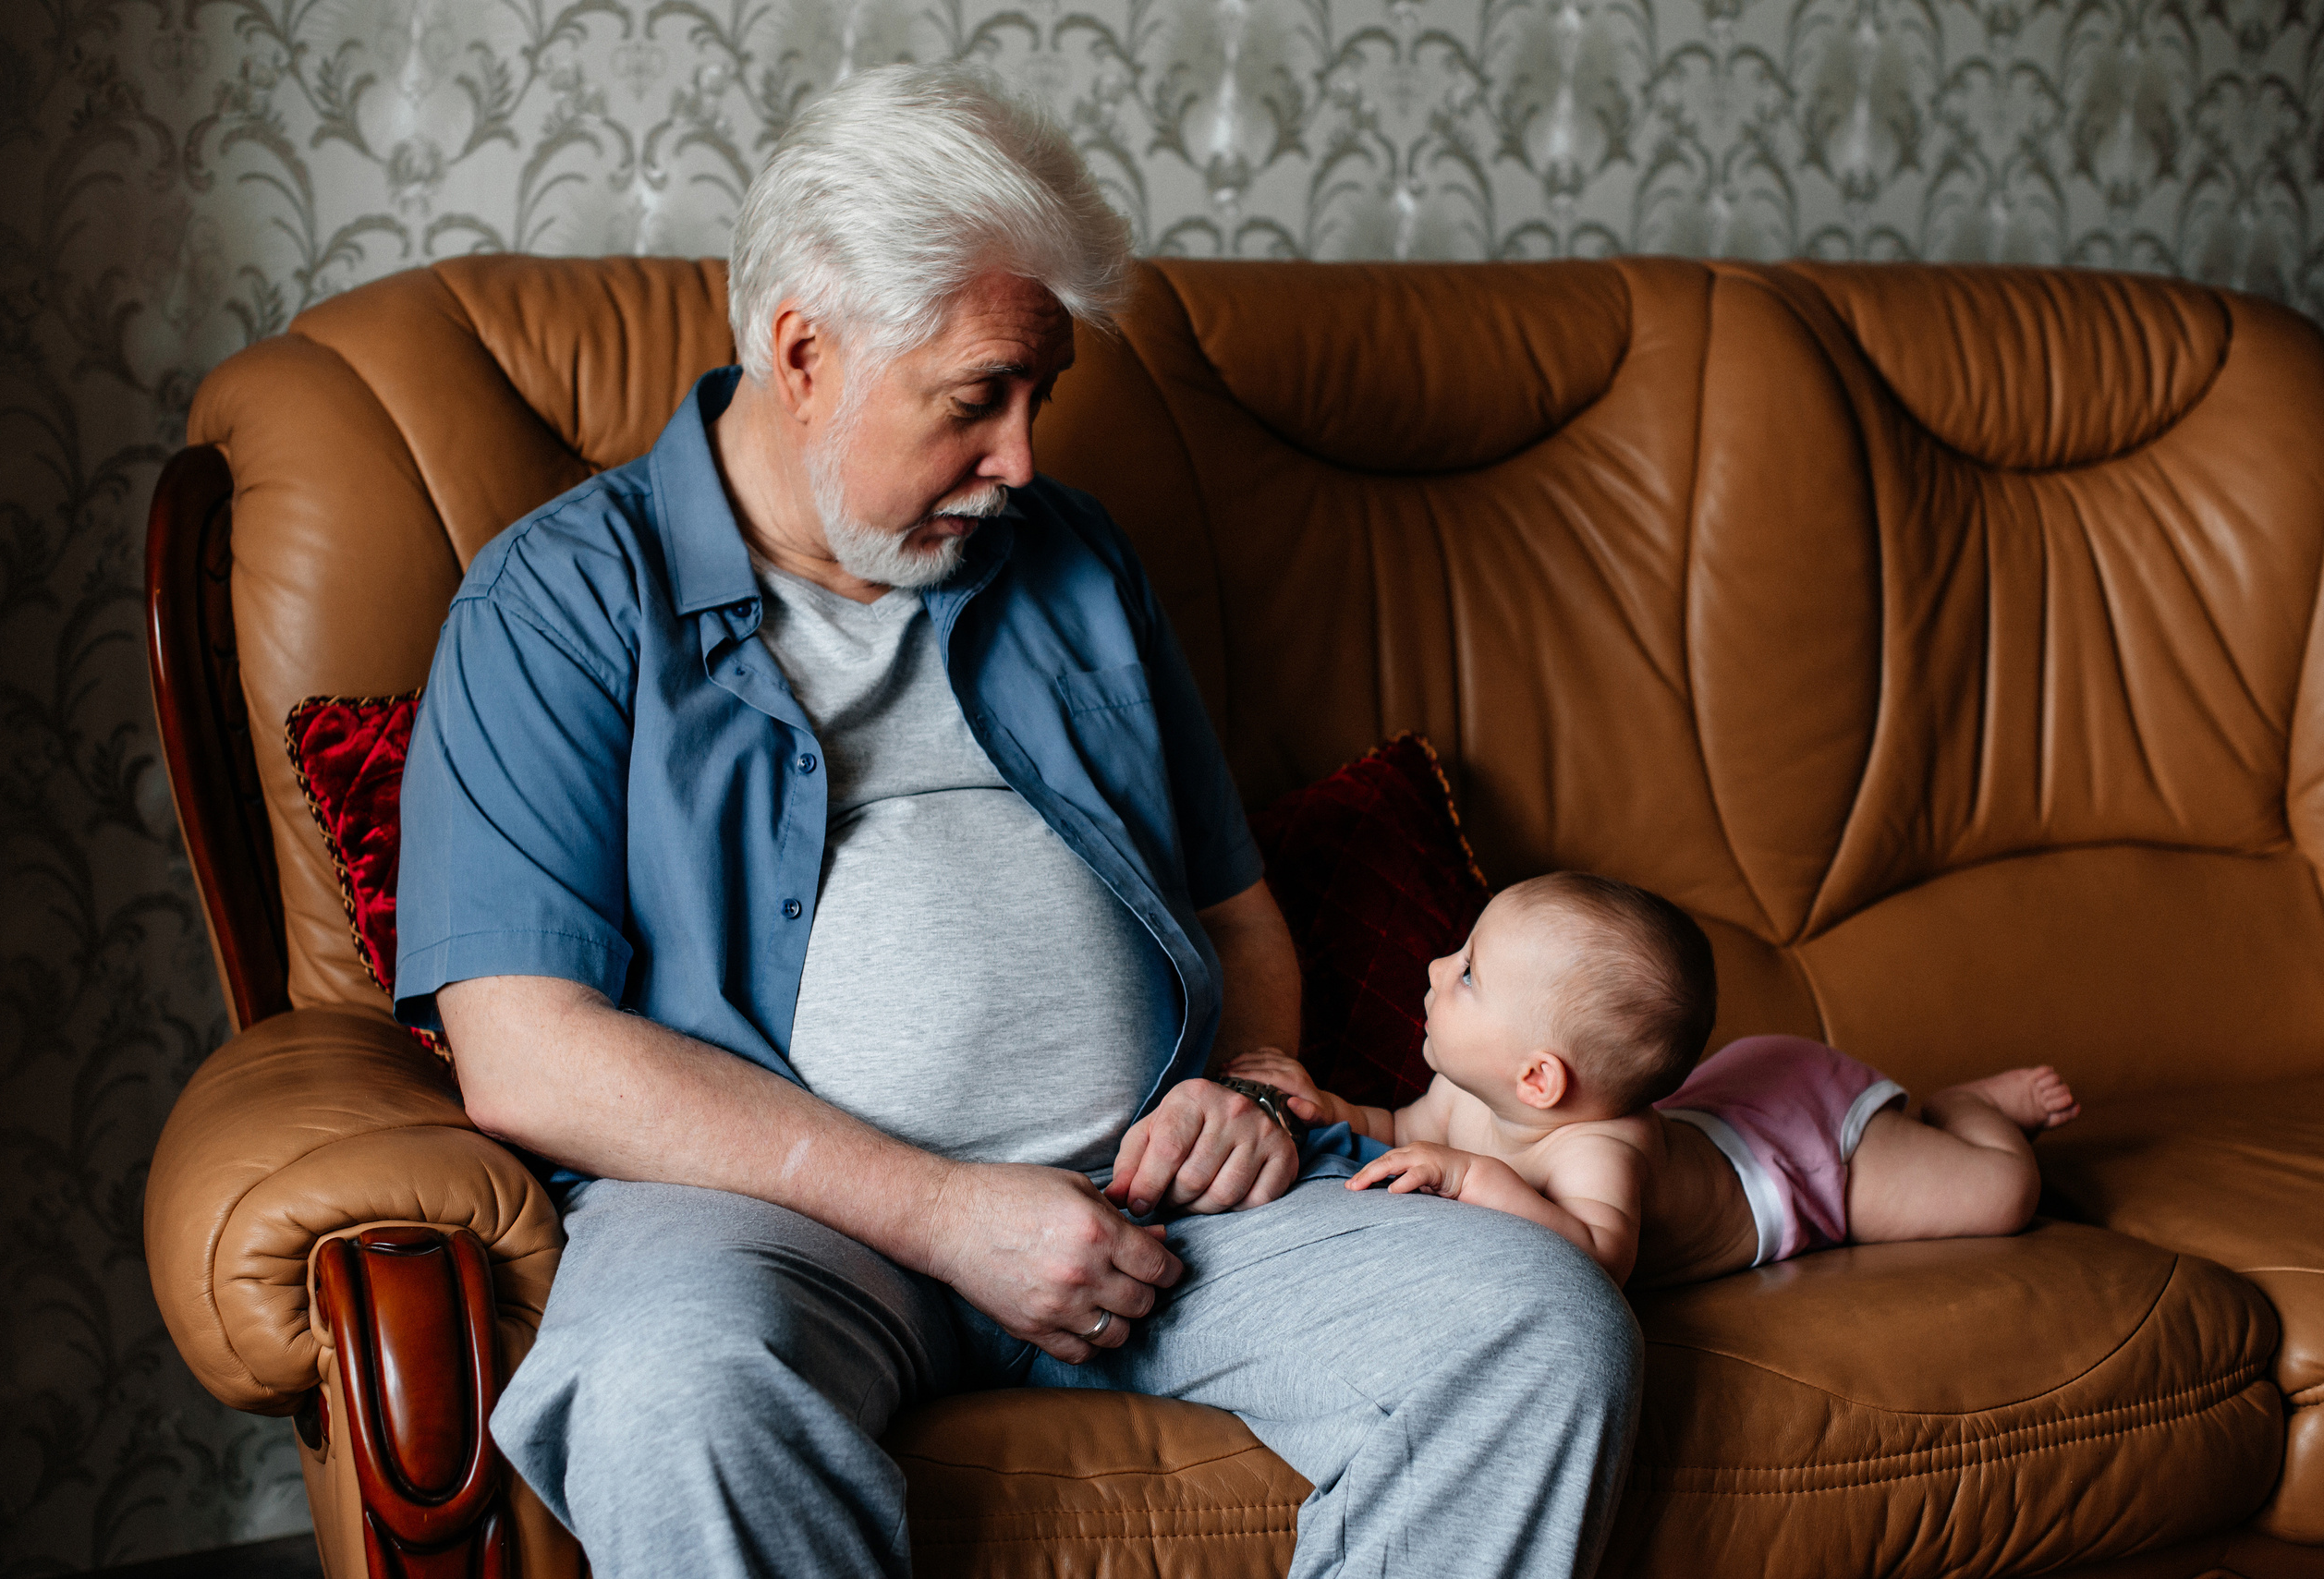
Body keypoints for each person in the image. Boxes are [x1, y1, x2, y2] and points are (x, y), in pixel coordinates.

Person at [392, 64, 1640, 1579]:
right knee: (673, 1386)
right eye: (977, 397)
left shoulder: (1072, 557)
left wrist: (1248, 1082)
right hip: (771, 1224)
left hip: (1162, 1202)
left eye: (1040, 396)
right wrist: (946, 1211)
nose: (1022, 461)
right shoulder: (559, 603)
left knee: (1540, 1322)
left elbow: (1234, 910)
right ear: (803, 352)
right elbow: (522, 1043)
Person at [1226, 871, 2082, 1289]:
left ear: (1539, 1078)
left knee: (2004, 1193)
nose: (1436, 965)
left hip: (1812, 1154)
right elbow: (1404, 1129)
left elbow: (1598, 1256)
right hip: (1737, 1091)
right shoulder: (1463, 1095)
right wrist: (1329, 1108)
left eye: (1470, 974)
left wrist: (1476, 1176)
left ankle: (1968, 1107)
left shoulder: (1605, 1146)